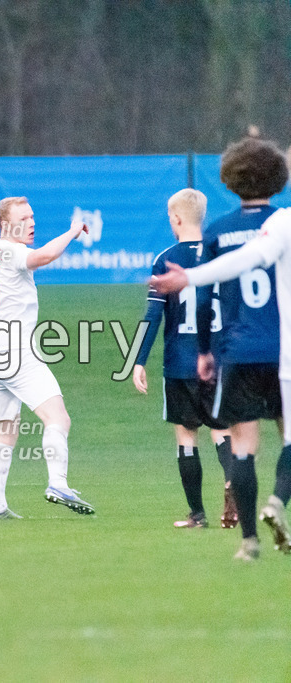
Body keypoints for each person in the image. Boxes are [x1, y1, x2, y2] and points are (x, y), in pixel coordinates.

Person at [152, 137, 291, 561]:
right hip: (283, 350)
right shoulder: (282, 223)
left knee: (243, 444)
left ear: (230, 182)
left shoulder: (218, 232)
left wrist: (206, 351)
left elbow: (208, 296)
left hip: (237, 351)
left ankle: (248, 542)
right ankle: (276, 504)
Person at [0, 196, 95, 519]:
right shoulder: (13, 251)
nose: (31, 223)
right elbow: (47, 255)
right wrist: (71, 232)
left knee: (6, 430)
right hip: (15, 347)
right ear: (5, 224)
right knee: (58, 418)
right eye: (23, 218)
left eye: (32, 217)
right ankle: (58, 483)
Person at [132, 188, 233, 529]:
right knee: (222, 430)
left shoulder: (165, 259)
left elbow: (153, 315)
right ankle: (233, 480)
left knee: (186, 435)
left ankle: (198, 515)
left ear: (175, 219)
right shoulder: (221, 255)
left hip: (180, 363)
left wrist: (138, 360)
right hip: (218, 361)